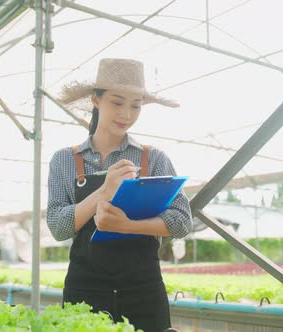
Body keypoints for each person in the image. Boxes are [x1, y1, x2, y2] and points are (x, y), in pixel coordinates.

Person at [46, 58, 192, 332]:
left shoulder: (153, 158)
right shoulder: (65, 160)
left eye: (135, 105)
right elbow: (58, 226)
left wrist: (127, 226)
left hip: (143, 293)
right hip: (86, 292)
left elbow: (182, 221)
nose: (126, 113)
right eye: (117, 102)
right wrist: (104, 190)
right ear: (96, 100)